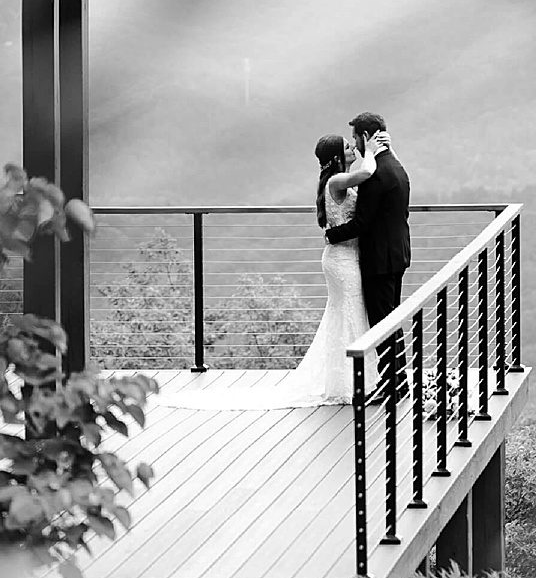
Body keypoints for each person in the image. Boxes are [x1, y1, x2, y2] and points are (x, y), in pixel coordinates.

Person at [161, 129, 383, 409]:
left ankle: (347, 380)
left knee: (344, 317)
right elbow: (366, 174)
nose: (354, 149)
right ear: (337, 157)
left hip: (343, 256)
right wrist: (373, 151)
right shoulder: (337, 181)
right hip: (342, 260)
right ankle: (355, 382)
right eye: (348, 147)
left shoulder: (336, 182)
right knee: (350, 314)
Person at [325, 110, 412, 400]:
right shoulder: (397, 166)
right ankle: (397, 382)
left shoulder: (373, 176)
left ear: (364, 137)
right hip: (398, 254)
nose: (354, 144)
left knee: (381, 323)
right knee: (390, 320)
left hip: (378, 260)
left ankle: (393, 386)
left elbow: (363, 223)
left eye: (355, 138)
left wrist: (331, 235)